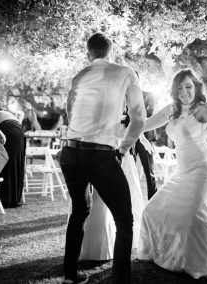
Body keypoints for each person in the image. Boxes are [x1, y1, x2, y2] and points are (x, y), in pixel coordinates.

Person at [137, 69, 207, 281]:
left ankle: (200, 262)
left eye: (188, 86)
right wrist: (128, 125)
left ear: (195, 87)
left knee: (191, 217)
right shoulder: (172, 109)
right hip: (182, 172)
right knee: (151, 210)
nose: (185, 92)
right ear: (174, 90)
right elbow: (145, 123)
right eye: (180, 88)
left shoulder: (201, 108)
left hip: (203, 168)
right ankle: (160, 253)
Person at [60, 33, 145, 284]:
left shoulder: (79, 76)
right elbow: (138, 118)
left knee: (79, 211)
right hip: (99, 154)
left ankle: (69, 275)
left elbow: (69, 111)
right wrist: (123, 148)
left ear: (89, 53)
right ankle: (120, 280)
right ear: (111, 51)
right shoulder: (126, 72)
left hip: (70, 152)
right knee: (125, 221)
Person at [79, 114, 145, 261]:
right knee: (100, 201)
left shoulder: (128, 105)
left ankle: (127, 240)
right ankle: (97, 247)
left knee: (129, 197)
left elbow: (136, 124)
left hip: (123, 156)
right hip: (106, 153)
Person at [0, 101, 26, 208]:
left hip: (9, 134)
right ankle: (15, 199)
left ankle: (6, 200)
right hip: (20, 134)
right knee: (17, 163)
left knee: (6, 164)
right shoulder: (10, 114)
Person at [134, 90, 158, 199]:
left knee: (149, 171)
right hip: (130, 135)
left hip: (146, 136)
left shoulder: (149, 94)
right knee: (130, 169)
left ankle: (153, 199)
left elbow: (150, 112)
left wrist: (134, 112)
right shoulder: (125, 96)